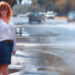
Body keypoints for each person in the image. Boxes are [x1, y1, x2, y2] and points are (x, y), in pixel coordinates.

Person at [0, 1, 16, 75]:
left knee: (2, 65)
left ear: (8, 10)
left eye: (5, 9)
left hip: (10, 44)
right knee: (5, 64)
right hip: (2, 44)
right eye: (2, 9)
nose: (4, 11)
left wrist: (14, 47)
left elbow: (13, 34)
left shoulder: (11, 20)